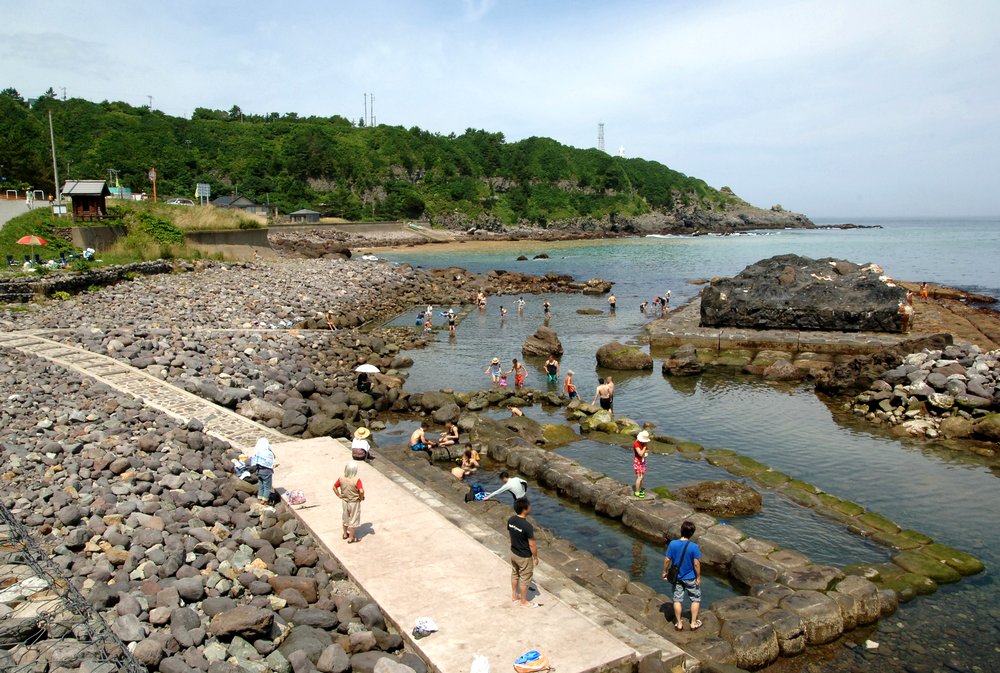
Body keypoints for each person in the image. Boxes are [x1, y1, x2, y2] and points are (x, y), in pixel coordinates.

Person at [663, 521, 702, 631]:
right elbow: (696, 564)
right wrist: (698, 577)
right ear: (692, 533)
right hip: (690, 577)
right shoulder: (694, 547)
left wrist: (664, 572)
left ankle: (679, 623)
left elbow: (667, 560)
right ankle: (693, 623)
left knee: (677, 599)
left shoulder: (673, 544)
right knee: (695, 599)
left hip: (677, 578)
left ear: (681, 530)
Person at [507, 498, 540, 607]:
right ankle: (524, 602)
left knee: (515, 574)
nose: (530, 508)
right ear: (525, 509)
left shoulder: (511, 520)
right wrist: (535, 557)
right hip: (524, 556)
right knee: (525, 579)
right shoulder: (527, 526)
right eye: (529, 506)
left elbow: (511, 536)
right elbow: (532, 544)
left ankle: (514, 595)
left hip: (513, 552)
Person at [333, 462, 365, 543]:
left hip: (345, 501)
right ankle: (351, 538)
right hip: (354, 502)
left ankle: (344, 534)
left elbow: (334, 487)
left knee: (345, 517)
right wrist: (361, 498)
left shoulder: (341, 478)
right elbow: (361, 491)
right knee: (353, 519)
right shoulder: (357, 480)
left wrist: (339, 495)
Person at [250, 438, 275, 504]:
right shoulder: (268, 453)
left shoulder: (257, 452)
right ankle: (265, 500)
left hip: (259, 472)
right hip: (267, 472)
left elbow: (254, 461)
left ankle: (259, 498)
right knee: (267, 487)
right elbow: (271, 462)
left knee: (261, 486)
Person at [633, 430, 650, 498]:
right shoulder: (636, 443)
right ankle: (637, 492)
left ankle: (640, 490)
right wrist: (645, 447)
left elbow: (645, 452)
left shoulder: (643, 443)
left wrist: (646, 450)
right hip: (637, 461)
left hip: (642, 461)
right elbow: (640, 453)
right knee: (639, 477)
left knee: (642, 477)